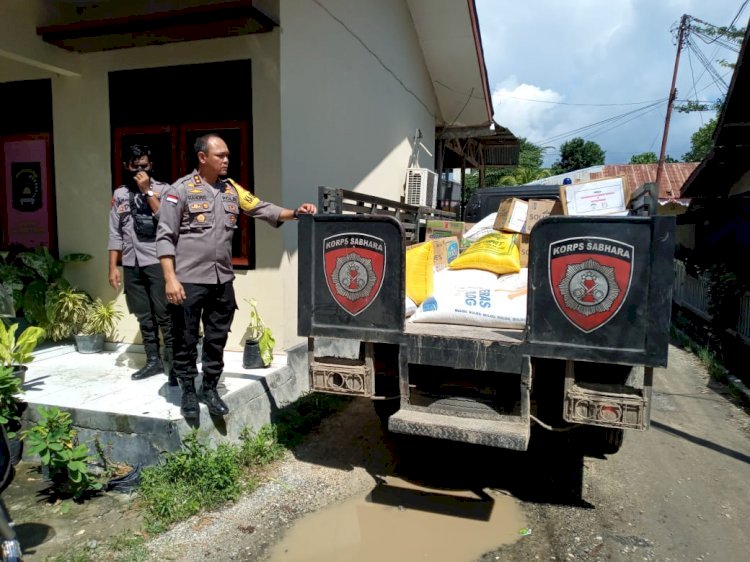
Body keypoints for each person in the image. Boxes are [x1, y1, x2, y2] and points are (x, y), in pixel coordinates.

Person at [156, 134, 317, 420]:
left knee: (217, 338)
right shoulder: (178, 191)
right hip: (188, 281)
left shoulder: (231, 190)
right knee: (185, 338)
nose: (226, 159)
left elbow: (260, 207)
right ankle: (188, 393)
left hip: (221, 280)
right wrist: (170, 279)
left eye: (228, 155)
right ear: (202, 158)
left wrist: (295, 213)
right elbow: (165, 237)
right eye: (220, 155)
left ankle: (209, 388)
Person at [108, 144, 176, 385]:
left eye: (144, 166)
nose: (139, 170)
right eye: (135, 166)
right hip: (131, 263)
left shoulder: (164, 189)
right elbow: (115, 232)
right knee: (143, 315)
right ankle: (153, 361)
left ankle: (174, 364)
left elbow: (167, 220)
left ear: (152, 166)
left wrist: (147, 191)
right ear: (127, 166)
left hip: (157, 261)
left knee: (165, 313)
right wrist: (113, 266)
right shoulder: (120, 195)